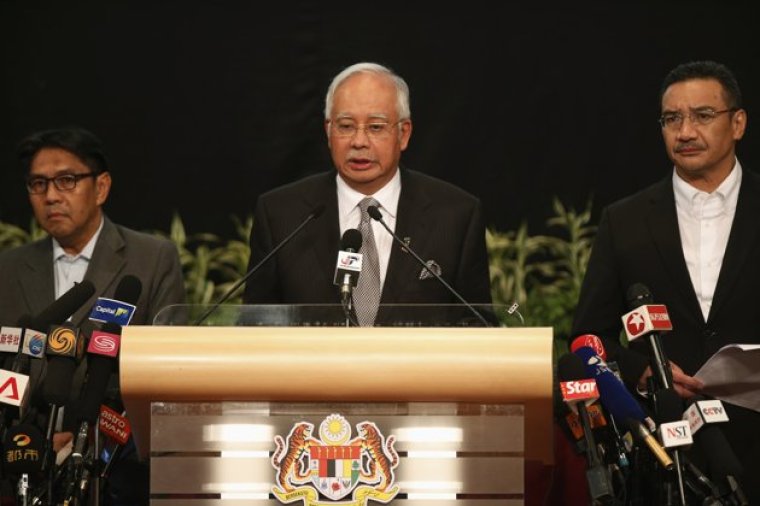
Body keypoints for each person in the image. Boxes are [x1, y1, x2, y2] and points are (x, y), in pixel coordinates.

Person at [571, 60, 759, 504]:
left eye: (702, 115)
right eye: (672, 118)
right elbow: (587, 336)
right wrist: (644, 375)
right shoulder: (625, 220)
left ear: (738, 124)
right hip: (666, 453)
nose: (685, 131)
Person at [0, 126, 185, 504]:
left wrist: (88, 432)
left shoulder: (151, 259)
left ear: (101, 187)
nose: (51, 196)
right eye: (39, 184)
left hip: (115, 461)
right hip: (22, 456)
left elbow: (166, 372)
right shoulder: (9, 268)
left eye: (66, 180)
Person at [242, 62, 492, 325]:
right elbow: (254, 325)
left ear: (403, 134)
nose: (359, 141)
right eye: (346, 126)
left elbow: (478, 323)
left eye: (375, 127)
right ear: (328, 131)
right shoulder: (281, 214)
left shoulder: (455, 215)